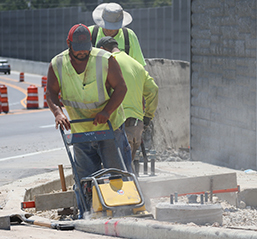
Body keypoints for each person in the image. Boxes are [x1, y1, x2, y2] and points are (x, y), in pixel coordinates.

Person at [46, 23, 130, 218]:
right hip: (80, 131)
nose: (83, 53)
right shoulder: (57, 64)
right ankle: (89, 214)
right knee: (85, 178)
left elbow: (121, 88)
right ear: (69, 44)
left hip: (110, 127)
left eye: (86, 48)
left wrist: (107, 111)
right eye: (78, 49)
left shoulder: (105, 60)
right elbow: (50, 92)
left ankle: (123, 212)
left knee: (116, 173)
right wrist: (58, 113)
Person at [96, 36, 158, 174]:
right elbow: (153, 89)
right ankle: (136, 194)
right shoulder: (136, 64)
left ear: (101, 50)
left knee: (116, 174)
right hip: (136, 126)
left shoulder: (107, 62)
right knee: (127, 171)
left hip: (116, 123)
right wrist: (147, 116)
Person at [89, 2, 146, 67]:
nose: (109, 30)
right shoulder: (90, 33)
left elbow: (139, 65)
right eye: (106, 27)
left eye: (113, 27)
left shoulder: (129, 35)